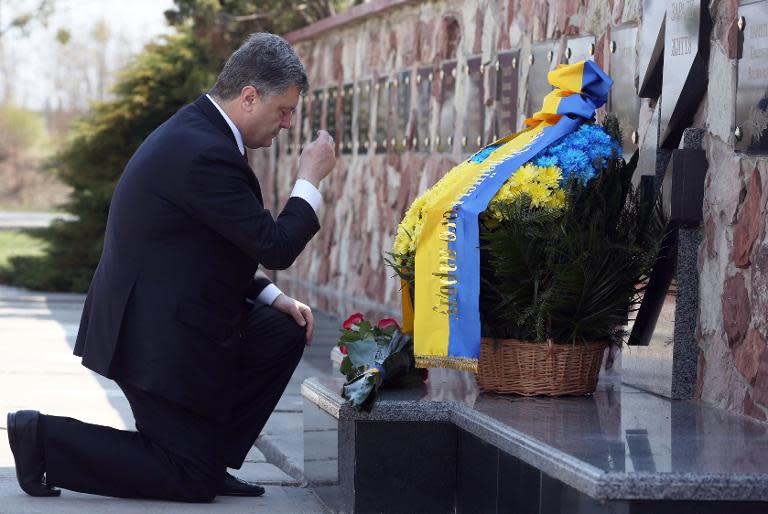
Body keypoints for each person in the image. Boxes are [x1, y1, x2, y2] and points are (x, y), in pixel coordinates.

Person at [6, 32, 335, 502]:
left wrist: (271, 296)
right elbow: (275, 246)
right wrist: (309, 179)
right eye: (283, 111)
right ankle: (42, 439)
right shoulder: (204, 151)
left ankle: (207, 454)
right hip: (150, 338)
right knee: (187, 479)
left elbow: (202, 250)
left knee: (282, 330)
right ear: (248, 97)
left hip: (177, 318)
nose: (287, 124)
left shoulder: (204, 132)